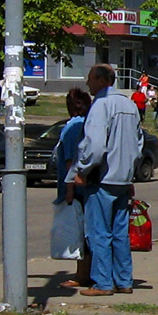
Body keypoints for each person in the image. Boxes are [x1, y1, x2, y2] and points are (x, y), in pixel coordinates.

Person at [73, 64, 143, 296]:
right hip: (123, 177)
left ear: (102, 81)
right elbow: (139, 143)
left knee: (99, 232)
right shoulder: (130, 104)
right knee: (120, 231)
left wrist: (82, 170)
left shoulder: (101, 105)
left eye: (91, 79)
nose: (88, 84)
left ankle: (103, 283)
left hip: (102, 177)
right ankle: (124, 280)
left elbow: (95, 145)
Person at [55, 87, 92, 288]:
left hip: (75, 189)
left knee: (79, 233)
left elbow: (71, 162)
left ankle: (82, 274)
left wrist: (68, 190)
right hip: (82, 187)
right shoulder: (85, 124)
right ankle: (86, 272)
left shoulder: (72, 127)